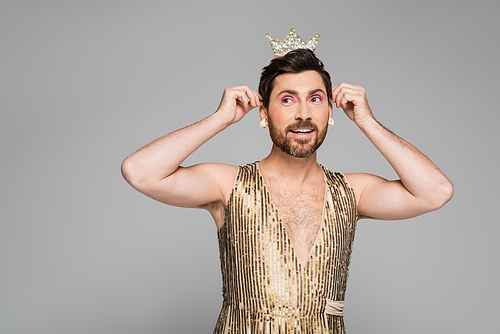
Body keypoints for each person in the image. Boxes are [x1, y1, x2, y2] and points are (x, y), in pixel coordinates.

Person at [121, 30, 453, 333]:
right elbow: (140, 171)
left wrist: (368, 122)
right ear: (264, 114)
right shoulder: (228, 185)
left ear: (330, 113)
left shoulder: (353, 191)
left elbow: (435, 192)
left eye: (315, 99)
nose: (303, 114)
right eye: (287, 99)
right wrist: (220, 119)